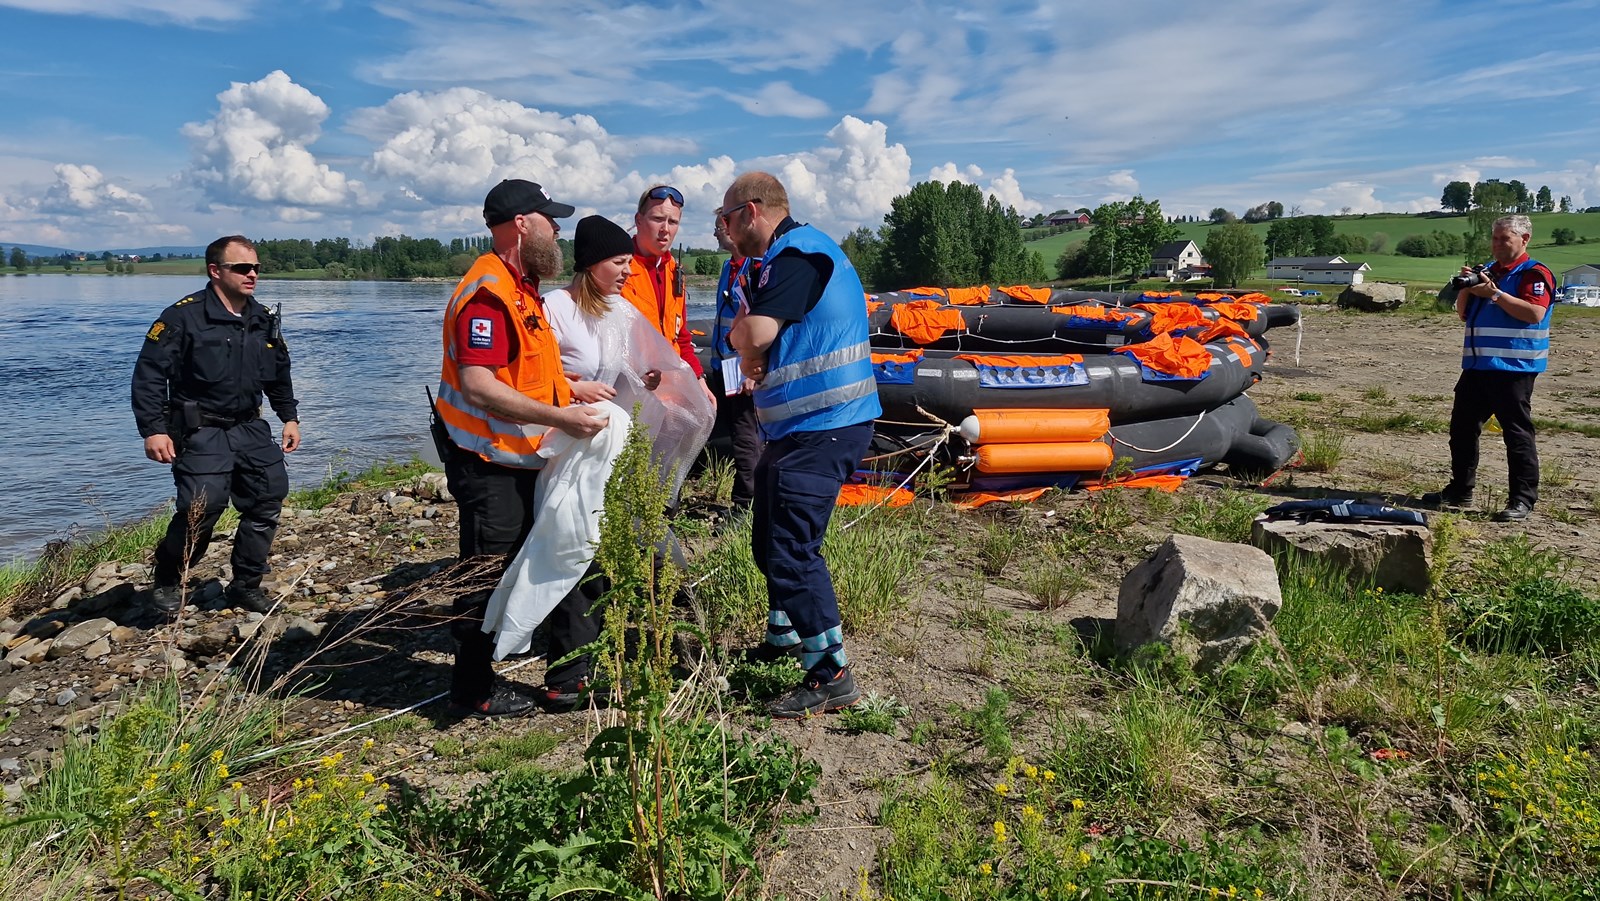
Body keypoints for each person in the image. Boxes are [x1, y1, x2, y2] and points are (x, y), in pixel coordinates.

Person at [432, 178, 609, 717]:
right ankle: (473, 691)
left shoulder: (522, 288)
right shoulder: (487, 292)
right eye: (550, 220)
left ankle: (570, 681)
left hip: (531, 453)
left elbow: (527, 371)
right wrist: (563, 417)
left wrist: (571, 391)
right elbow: (480, 384)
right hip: (488, 461)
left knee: (571, 550)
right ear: (521, 224)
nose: (558, 231)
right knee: (489, 572)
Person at [724, 171, 881, 718]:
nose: (722, 232)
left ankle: (830, 673)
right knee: (767, 540)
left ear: (751, 212)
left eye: (724, 220)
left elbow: (753, 337)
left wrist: (742, 335)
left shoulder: (796, 256)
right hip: (798, 428)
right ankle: (785, 636)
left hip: (827, 425)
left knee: (792, 548)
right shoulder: (785, 258)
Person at [132, 235, 300, 618]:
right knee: (200, 508)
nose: (252, 274)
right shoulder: (182, 316)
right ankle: (169, 581)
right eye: (242, 268)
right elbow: (149, 375)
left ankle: (245, 585)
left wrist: (288, 416)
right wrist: (153, 429)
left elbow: (278, 374)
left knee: (266, 500)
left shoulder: (261, 319)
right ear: (215, 270)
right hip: (200, 430)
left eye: (256, 267)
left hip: (249, 427)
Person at [1424, 214, 1557, 522]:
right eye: (1494, 238)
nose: (1497, 244)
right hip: (1478, 365)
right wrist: (1468, 287)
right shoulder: (1489, 271)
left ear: (1524, 240)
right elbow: (1462, 314)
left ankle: (1522, 499)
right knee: (1462, 430)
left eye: (1504, 239)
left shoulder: (1533, 273)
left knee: (1516, 434)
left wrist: (1495, 294)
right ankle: (1460, 491)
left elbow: (1535, 313)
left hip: (1514, 367)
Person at [621, 184, 717, 407]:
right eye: (657, 219)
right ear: (639, 220)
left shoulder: (674, 271)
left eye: (673, 222)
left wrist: (699, 379)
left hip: (669, 395)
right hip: (632, 394)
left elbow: (681, 336)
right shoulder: (620, 268)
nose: (665, 229)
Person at [708, 217, 764, 511]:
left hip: (742, 370)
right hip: (723, 366)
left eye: (718, 227)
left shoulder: (756, 268)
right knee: (739, 432)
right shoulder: (728, 267)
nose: (715, 233)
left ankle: (745, 505)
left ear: (732, 229)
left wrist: (753, 367)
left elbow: (762, 324)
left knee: (746, 437)